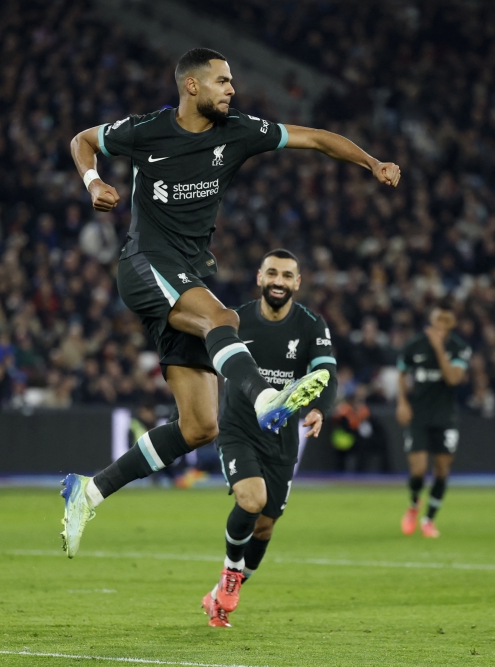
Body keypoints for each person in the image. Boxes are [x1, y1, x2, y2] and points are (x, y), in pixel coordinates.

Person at [61, 47, 399, 557]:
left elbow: (314, 139)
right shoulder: (147, 131)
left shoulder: (239, 131)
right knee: (222, 316)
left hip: (187, 275)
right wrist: (93, 180)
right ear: (192, 86)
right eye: (222, 81)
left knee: (200, 426)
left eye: (232, 82)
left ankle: (87, 491)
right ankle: (267, 400)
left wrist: (371, 163)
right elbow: (82, 140)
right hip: (145, 263)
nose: (232, 89)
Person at [200, 249, 337, 627]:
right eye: (272, 273)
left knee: (265, 525)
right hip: (238, 429)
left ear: (297, 283)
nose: (279, 281)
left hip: (280, 438)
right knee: (252, 498)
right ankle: (230, 574)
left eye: (287, 275)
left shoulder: (311, 325)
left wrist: (319, 407)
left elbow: (327, 372)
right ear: (260, 278)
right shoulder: (236, 320)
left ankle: (219, 597)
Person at [395, 297, 471, 538]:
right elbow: (401, 372)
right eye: (438, 318)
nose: (441, 323)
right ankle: (414, 505)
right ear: (431, 318)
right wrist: (402, 402)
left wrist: (439, 348)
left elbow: (453, 379)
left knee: (441, 470)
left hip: (445, 416)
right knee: (417, 469)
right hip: (418, 415)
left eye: (446, 320)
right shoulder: (414, 345)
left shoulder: (458, 348)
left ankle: (429, 519)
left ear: (453, 322)